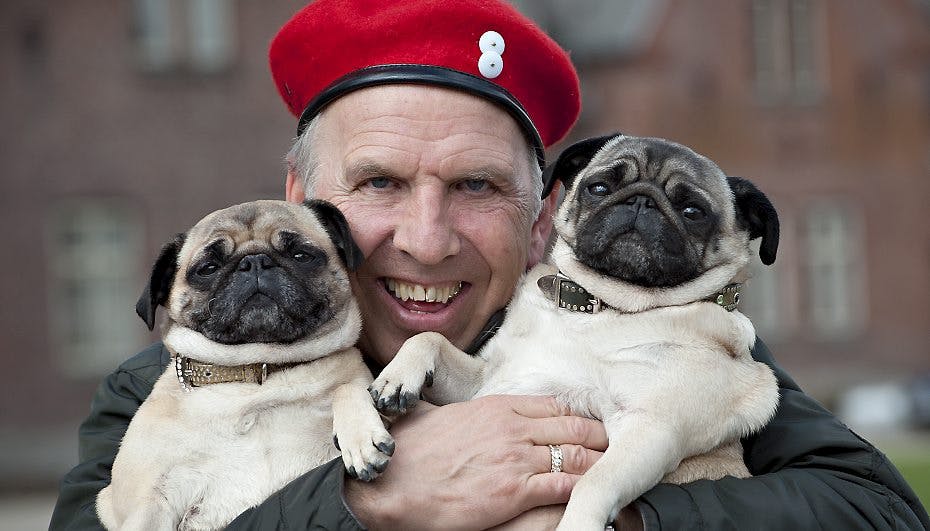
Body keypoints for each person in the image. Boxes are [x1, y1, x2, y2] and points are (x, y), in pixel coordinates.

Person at [51, 1, 929, 529]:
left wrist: (617, 505)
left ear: (545, 212)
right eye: (381, 182)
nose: (428, 239)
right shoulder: (174, 384)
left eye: (474, 186)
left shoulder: (637, 332)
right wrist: (365, 505)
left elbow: (879, 510)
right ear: (302, 199)